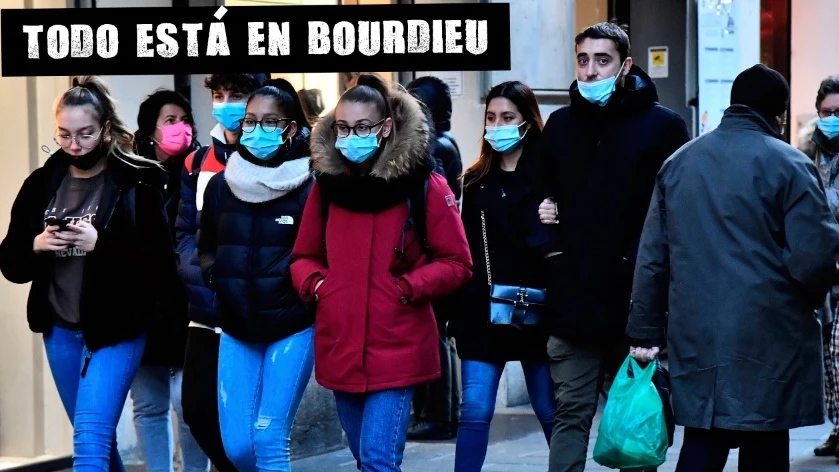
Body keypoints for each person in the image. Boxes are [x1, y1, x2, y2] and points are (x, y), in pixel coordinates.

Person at [627, 64, 839, 471]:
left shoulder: (679, 163)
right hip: (771, 335)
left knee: (703, 440)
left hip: (696, 333)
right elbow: (815, 256)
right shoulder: (791, 165)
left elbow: (653, 256)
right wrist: (806, 301)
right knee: (766, 442)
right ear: (778, 115)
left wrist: (644, 329)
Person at [290, 73, 473, 472]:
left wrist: (407, 287)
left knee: (377, 460)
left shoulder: (424, 184)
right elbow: (303, 256)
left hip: (399, 344)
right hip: (340, 343)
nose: (350, 136)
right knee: (365, 458)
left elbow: (458, 262)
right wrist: (321, 285)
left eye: (362, 128)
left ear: (386, 127)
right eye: (342, 127)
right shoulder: (326, 186)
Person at [534, 22, 690, 472]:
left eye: (602, 60)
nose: (590, 70)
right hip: (573, 300)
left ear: (625, 66)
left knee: (637, 418)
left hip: (635, 304)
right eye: (583, 60)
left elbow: (676, 215)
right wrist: (551, 249)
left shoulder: (662, 127)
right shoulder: (561, 125)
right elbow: (535, 196)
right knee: (571, 415)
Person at [0, 76, 176, 472]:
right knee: (97, 442)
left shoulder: (140, 180)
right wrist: (35, 245)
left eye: (85, 134)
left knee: (90, 439)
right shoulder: (42, 183)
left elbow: (161, 267)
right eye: (64, 135)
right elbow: (9, 262)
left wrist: (104, 245)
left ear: (106, 130)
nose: (74, 145)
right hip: (60, 328)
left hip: (119, 328)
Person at [198, 79, 315, 472]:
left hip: (292, 326)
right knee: (238, 449)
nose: (256, 130)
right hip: (236, 326)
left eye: (270, 122)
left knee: (268, 437)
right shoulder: (221, 185)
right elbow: (207, 246)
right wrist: (219, 280)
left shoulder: (312, 187)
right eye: (250, 122)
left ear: (292, 129)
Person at [451, 80, 555, 471]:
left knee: (549, 409)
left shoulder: (550, 178)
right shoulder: (475, 180)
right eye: (491, 118)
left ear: (527, 121)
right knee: (474, 409)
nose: (497, 126)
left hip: (541, 310)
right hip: (483, 310)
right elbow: (465, 250)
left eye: (507, 117)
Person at [177, 73, 268, 472]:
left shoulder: (276, 156)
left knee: (249, 427)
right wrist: (197, 272)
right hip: (207, 310)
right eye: (219, 95)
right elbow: (183, 231)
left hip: (255, 312)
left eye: (237, 95)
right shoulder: (197, 161)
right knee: (196, 410)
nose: (226, 103)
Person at [131, 89, 209, 472]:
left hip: (189, 308)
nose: (182, 127)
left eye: (184, 119)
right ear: (149, 131)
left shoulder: (201, 171)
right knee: (148, 404)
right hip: (144, 311)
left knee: (188, 403)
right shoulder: (133, 177)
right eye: (170, 120)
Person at [404, 75, 465, 441]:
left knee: (436, 338)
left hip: (430, 257)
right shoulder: (445, 142)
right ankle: (440, 413)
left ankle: (439, 415)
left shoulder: (436, 147)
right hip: (433, 254)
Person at [797, 76, 839, 460]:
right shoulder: (809, 152)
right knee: (829, 358)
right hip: (824, 271)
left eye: (838, 112)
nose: (831, 118)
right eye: (826, 112)